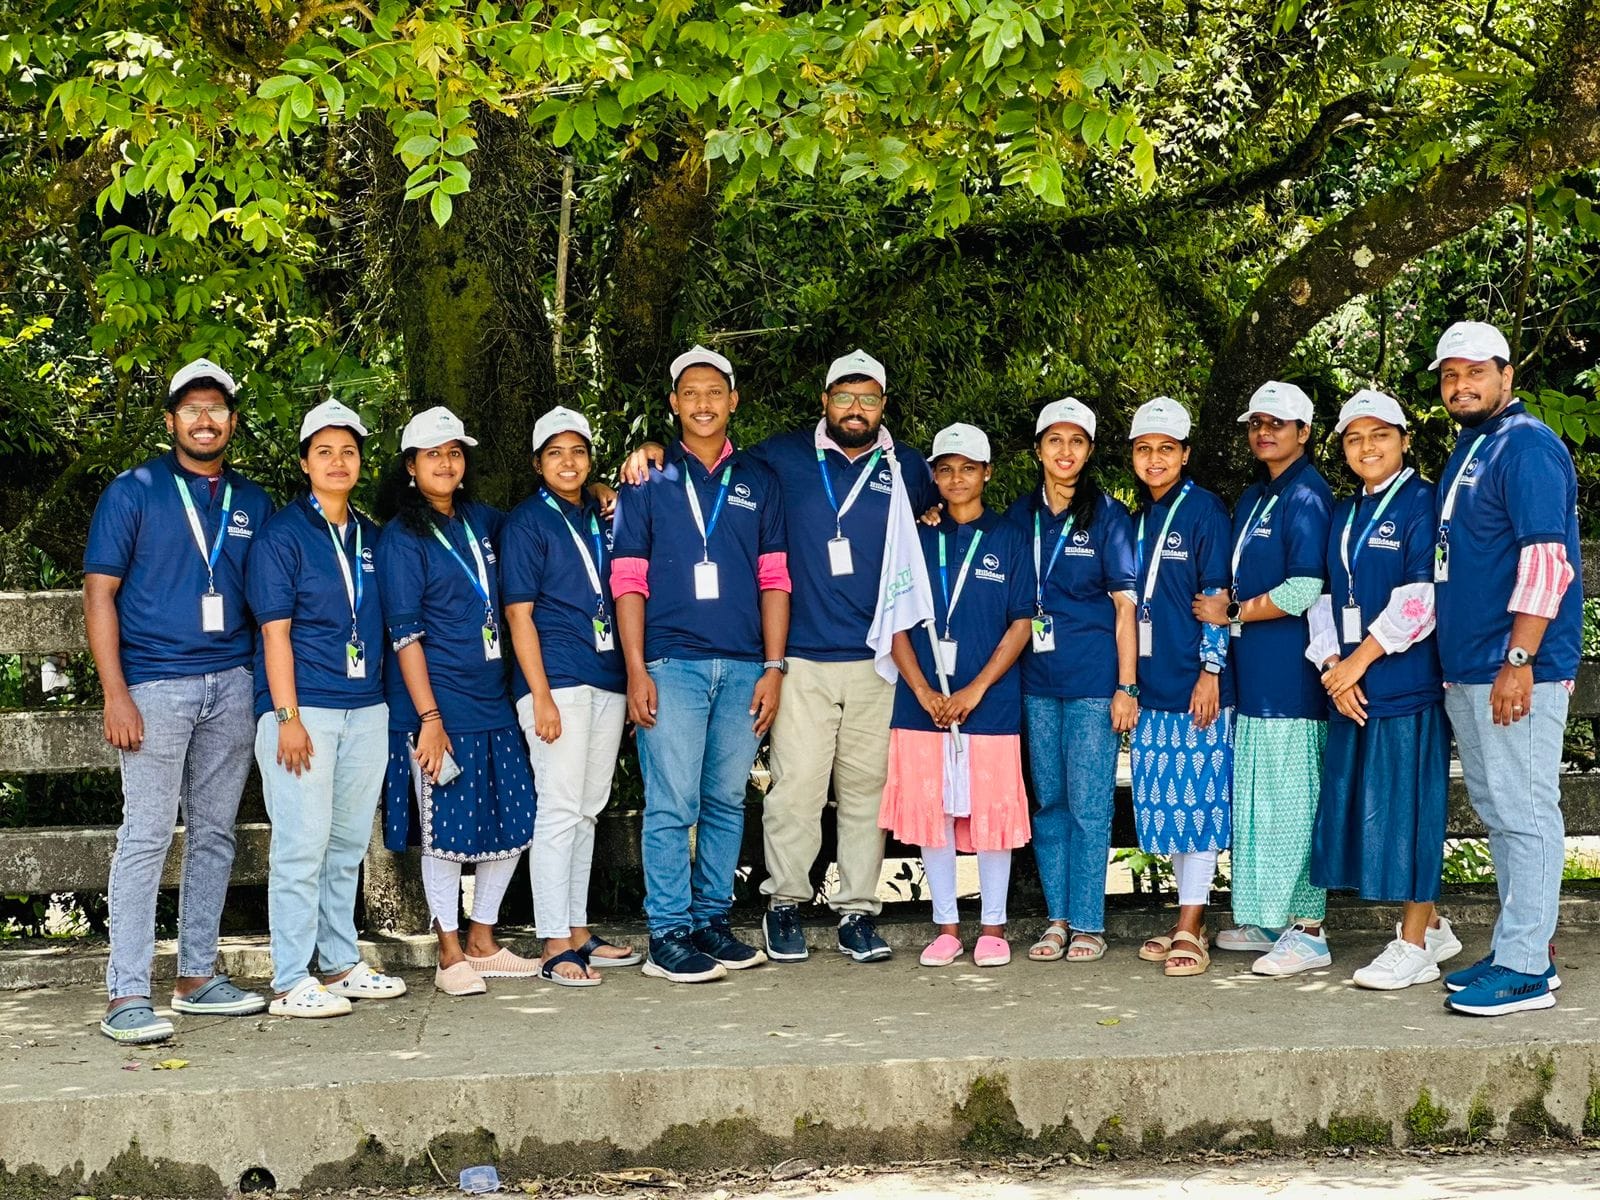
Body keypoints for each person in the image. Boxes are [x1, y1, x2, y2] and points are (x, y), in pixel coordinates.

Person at [617, 350, 938, 965]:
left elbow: (936, 516)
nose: (855, 408)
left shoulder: (906, 467)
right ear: (823, 401)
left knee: (851, 793)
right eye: (843, 396)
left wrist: (768, 665)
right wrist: (637, 461)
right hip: (765, 659)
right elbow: (637, 558)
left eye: (868, 398)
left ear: (884, 406)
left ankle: (851, 913)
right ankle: (765, 908)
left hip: (864, 658)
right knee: (783, 791)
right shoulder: (775, 461)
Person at [84, 359, 275, 1044]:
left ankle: (197, 977)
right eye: (191, 408)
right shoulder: (133, 492)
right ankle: (126, 992)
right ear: (171, 421)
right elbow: (99, 594)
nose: (204, 419)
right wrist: (116, 693)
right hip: (155, 687)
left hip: (232, 684)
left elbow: (278, 599)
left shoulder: (253, 502)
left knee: (217, 833)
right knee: (145, 835)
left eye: (216, 409)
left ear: (231, 421)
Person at [610, 346, 791, 983]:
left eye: (716, 391)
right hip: (671, 664)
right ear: (673, 404)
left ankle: (711, 920)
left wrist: (773, 666)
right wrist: (636, 668)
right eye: (691, 393)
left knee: (724, 801)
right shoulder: (648, 480)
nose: (704, 403)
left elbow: (775, 577)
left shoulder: (758, 479)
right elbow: (627, 580)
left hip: (745, 666)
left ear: (733, 400)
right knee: (671, 802)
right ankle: (667, 934)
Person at [1427, 321, 1582, 1016]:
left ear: (1506, 376)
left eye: (1475, 373)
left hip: (1514, 666)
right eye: (1450, 376)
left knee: (1525, 810)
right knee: (1499, 810)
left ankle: (1526, 969)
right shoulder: (1474, 447)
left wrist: (1519, 660)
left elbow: (1547, 560)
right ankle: (1523, 944)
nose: (1461, 385)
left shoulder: (1528, 447)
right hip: (1470, 667)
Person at [247, 399, 407, 1018]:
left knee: (344, 846)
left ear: (361, 461)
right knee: (300, 846)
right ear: (305, 463)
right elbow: (275, 634)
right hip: (304, 710)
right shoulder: (283, 535)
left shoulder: (369, 533)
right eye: (324, 452)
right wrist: (287, 718)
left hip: (366, 709)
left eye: (348, 451)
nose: (338, 462)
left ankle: (338, 962)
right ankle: (289, 978)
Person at [373, 406, 539, 996]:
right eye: (432, 454)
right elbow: (405, 635)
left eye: (454, 453)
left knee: (516, 817)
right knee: (445, 835)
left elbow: (543, 514)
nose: (445, 463)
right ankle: (448, 954)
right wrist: (429, 719)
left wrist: (594, 489)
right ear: (411, 467)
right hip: (437, 710)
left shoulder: (483, 521)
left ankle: (483, 939)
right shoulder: (400, 538)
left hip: (494, 701)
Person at [1305, 389, 1460, 991]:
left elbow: (1423, 598)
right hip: (1350, 687)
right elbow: (1322, 599)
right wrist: (1331, 669)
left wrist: (1359, 662)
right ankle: (1438, 927)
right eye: (1353, 438)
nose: (1366, 448)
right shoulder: (1344, 513)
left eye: (1379, 435)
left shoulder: (1426, 504)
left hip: (1404, 687)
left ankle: (1414, 943)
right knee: (1360, 812)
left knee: (1412, 813)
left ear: (1403, 439)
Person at [879, 423, 1034, 967]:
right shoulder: (916, 538)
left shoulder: (1010, 537)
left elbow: (1021, 624)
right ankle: (945, 926)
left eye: (968, 468)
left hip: (988, 704)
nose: (956, 478)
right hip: (920, 706)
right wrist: (921, 690)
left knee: (992, 816)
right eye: (945, 469)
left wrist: (974, 688)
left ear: (987, 473)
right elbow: (894, 623)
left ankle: (993, 926)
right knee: (932, 815)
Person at [1194, 381, 1334, 976]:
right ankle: (1267, 918)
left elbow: (1305, 587)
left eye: (1278, 424)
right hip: (1255, 682)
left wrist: (1235, 612)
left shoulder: (1308, 494)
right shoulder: (1255, 495)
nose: (1264, 432)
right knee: (1259, 806)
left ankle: (1309, 929)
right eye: (1256, 423)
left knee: (1294, 807)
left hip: (1294, 683)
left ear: (1304, 432)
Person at [502, 405, 639, 986]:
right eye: (555, 453)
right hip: (556, 681)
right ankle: (554, 940)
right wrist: (541, 697)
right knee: (559, 811)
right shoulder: (527, 523)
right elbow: (518, 613)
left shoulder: (601, 514)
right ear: (537, 464)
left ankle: (578, 927)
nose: (568, 462)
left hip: (605, 678)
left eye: (578, 451)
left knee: (587, 808)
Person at [1006, 398, 1138, 964]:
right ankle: (1057, 919)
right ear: (1038, 449)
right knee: (1050, 804)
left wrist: (1126, 687)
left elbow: (1125, 608)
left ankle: (1089, 922)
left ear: (1088, 451)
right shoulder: (1018, 515)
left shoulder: (1107, 515)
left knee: (1088, 805)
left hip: (1091, 682)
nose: (1065, 452)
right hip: (1035, 681)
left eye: (1076, 441)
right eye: (1054, 441)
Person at [1123, 397, 1235, 978]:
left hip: (1198, 687)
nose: (1155, 459)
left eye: (1166, 449)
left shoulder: (1205, 512)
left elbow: (1216, 600)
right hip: (1150, 685)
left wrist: (1210, 672)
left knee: (1202, 805)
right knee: (1167, 806)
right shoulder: (1134, 520)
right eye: (1145, 449)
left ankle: (1192, 925)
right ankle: (1183, 916)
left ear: (1185, 454)